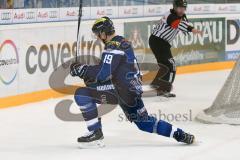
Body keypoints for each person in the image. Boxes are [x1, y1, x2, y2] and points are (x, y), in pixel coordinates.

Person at [70, 16, 195, 148]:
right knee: (145, 123)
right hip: (131, 91)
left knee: (82, 94)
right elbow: (111, 71)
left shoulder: (113, 47)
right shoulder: (122, 42)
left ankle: (95, 133)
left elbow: (103, 73)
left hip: (120, 90)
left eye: (97, 34)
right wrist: (87, 74)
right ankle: (180, 134)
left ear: (103, 33)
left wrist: (81, 69)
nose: (97, 38)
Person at [149, 0, 203, 97]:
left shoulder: (182, 16)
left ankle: (157, 83)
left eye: (184, 8)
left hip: (161, 42)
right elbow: (178, 24)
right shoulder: (170, 16)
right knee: (171, 64)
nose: (182, 10)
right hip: (158, 41)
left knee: (165, 64)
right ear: (174, 7)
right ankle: (164, 89)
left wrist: (189, 28)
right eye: (180, 8)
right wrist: (192, 29)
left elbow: (184, 24)